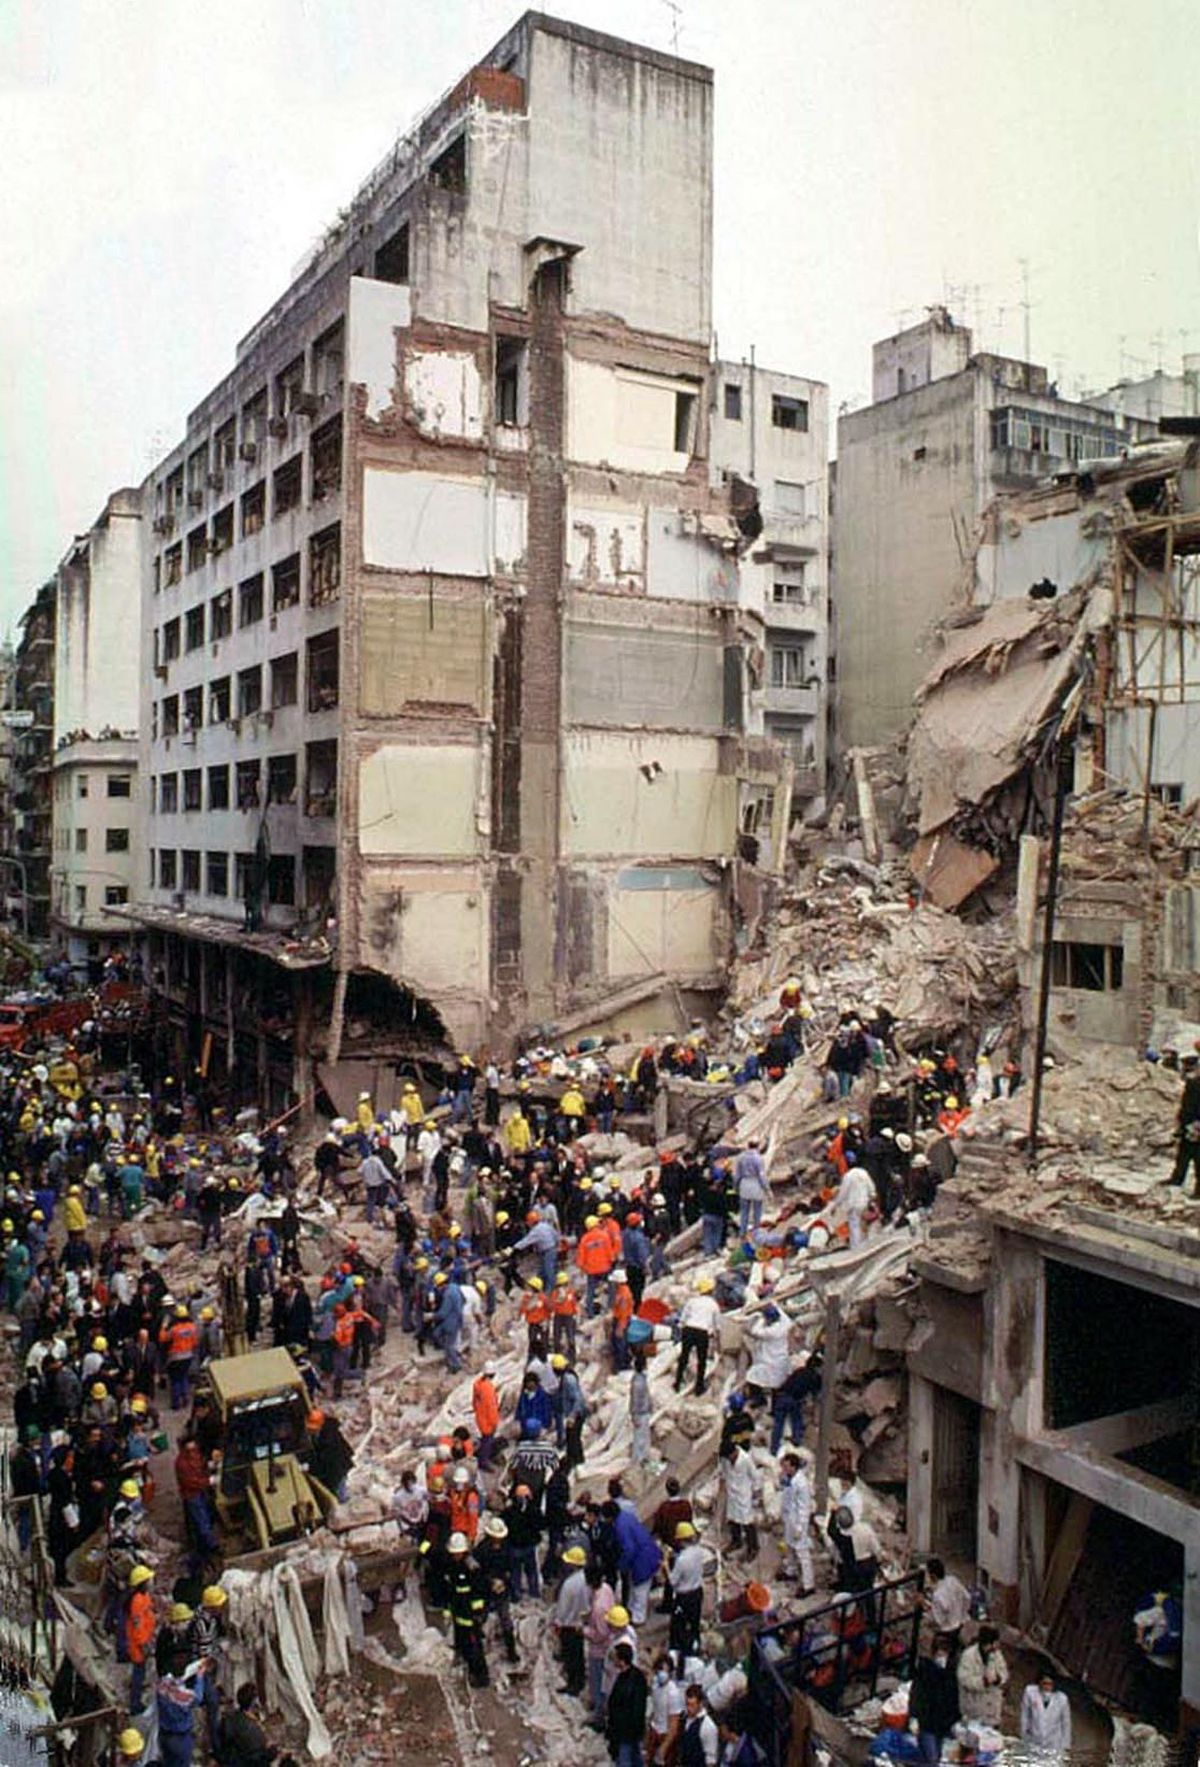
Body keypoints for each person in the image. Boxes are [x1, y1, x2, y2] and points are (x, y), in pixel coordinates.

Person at [446, 1531, 490, 1686]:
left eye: (457, 1553)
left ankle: (481, 1676)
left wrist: (477, 1613)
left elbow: (479, 1592)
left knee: (474, 1646)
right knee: (463, 1639)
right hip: (459, 1610)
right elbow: (452, 1588)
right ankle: (463, 1656)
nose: (454, 1556)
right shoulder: (453, 1564)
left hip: (470, 1614)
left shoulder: (471, 1567)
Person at [909, 1635, 961, 1762]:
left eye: (945, 1653)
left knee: (935, 1758)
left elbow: (954, 1698)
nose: (942, 1657)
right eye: (940, 1653)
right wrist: (914, 1717)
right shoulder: (925, 1671)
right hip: (927, 1723)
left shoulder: (951, 1674)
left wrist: (956, 1719)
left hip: (943, 1724)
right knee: (931, 1759)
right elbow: (917, 1694)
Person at [674, 1275, 720, 1398]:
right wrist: (717, 1342)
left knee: (684, 1356)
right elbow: (717, 1326)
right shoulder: (713, 1305)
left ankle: (677, 1382)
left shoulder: (692, 1301)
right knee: (702, 1360)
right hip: (702, 1332)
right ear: (710, 1291)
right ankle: (699, 1387)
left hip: (689, 1329)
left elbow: (683, 1319)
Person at [606, 1642, 650, 1767]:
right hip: (634, 1731)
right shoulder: (637, 1677)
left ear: (622, 1660)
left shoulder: (628, 1680)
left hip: (625, 1732)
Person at [555, 1543, 590, 1696]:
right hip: (581, 1623)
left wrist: (558, 1622)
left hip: (568, 1625)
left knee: (570, 1657)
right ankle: (579, 1682)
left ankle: (573, 1684)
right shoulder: (585, 1579)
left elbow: (563, 1607)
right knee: (579, 1655)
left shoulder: (568, 1584)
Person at [957, 1625, 1009, 1726]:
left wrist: (998, 1678)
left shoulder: (996, 1654)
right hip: (973, 1709)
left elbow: (1004, 1672)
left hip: (992, 1709)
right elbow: (964, 1679)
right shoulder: (968, 1656)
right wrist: (983, 1682)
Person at [214, 1682, 277, 1767]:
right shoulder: (250, 1727)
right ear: (253, 1702)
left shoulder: (231, 1718)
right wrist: (273, 1751)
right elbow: (256, 1756)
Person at [779, 1451, 815, 1594]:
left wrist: (800, 1527)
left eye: (787, 1467)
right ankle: (791, 1571)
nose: (784, 1469)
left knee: (802, 1553)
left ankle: (808, 1585)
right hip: (789, 1520)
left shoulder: (802, 1484)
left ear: (794, 1467)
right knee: (789, 1548)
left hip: (798, 1522)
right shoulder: (790, 1479)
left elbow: (804, 1507)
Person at [925, 1556, 972, 1651]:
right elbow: (967, 1597)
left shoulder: (938, 1595)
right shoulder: (953, 1580)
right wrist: (962, 1614)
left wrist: (927, 1608)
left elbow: (938, 1620)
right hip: (960, 1624)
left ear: (933, 1576)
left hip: (947, 1630)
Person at [721, 1441, 758, 1561]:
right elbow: (724, 1472)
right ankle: (736, 1541)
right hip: (732, 1493)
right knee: (732, 1519)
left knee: (747, 1521)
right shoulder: (726, 1460)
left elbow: (755, 1476)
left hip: (744, 1494)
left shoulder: (745, 1459)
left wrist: (756, 1493)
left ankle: (753, 1547)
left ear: (734, 1453)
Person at [647, 1652, 685, 1765]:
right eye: (659, 1670)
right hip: (655, 1732)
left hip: (666, 1736)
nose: (661, 1673)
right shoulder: (655, 1685)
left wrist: (664, 1747)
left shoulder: (673, 1693)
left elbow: (674, 1725)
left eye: (665, 1670)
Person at [1019, 1673, 1072, 1754]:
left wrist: (1066, 1745)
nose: (1047, 1687)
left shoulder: (1062, 1698)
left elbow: (1066, 1723)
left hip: (1054, 1742)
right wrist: (1024, 1735)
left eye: (1050, 1684)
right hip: (1034, 1739)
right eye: (1044, 1683)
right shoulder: (1030, 1692)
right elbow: (1025, 1715)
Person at [734, 1140, 770, 1237]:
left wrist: (736, 1187)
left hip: (744, 1184)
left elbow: (737, 1175)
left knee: (744, 1210)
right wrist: (767, 1189)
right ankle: (756, 1232)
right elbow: (762, 1175)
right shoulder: (758, 1158)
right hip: (755, 1184)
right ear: (757, 1146)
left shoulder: (741, 1158)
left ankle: (742, 1232)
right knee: (757, 1210)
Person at [679, 1684, 719, 1767]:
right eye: (687, 1704)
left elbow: (711, 1759)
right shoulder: (684, 1718)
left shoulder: (708, 1726)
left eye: (692, 1705)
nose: (689, 1708)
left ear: (700, 1704)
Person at [630, 1350, 653, 1464]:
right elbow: (636, 1399)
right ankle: (639, 1461)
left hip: (643, 1412)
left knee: (643, 1438)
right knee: (640, 1439)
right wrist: (635, 1415)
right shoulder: (639, 1382)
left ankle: (642, 1459)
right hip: (641, 1413)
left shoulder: (640, 1379)